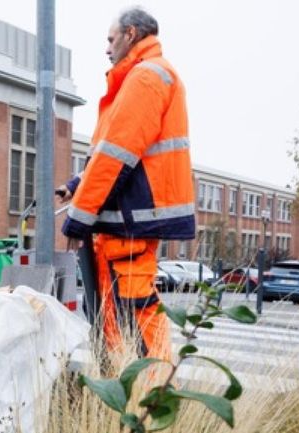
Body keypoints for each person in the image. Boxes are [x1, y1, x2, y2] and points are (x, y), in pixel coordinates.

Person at [60, 8, 195, 361]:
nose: (107, 48)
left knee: (133, 315)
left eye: (110, 39)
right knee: (115, 316)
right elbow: (114, 151)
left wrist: (79, 217)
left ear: (130, 34)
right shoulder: (142, 77)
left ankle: (150, 401)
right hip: (128, 219)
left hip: (131, 221)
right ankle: (126, 395)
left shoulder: (146, 77)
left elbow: (116, 157)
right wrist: (77, 184)